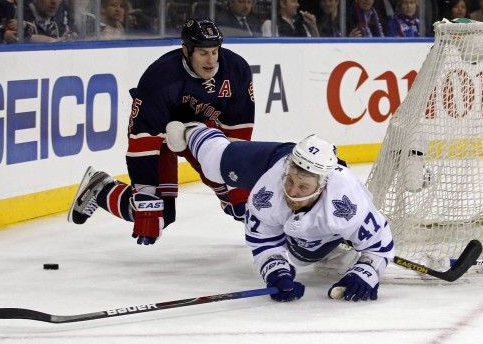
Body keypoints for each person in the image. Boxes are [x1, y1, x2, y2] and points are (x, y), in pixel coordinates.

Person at [68, 18, 255, 246]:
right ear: (186, 50)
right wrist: (146, 198)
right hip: (160, 134)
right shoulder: (160, 78)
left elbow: (238, 130)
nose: (211, 60)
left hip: (202, 131)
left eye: (215, 52)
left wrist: (237, 181)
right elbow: (142, 142)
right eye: (203, 53)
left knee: (238, 203)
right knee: (158, 214)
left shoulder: (236, 70)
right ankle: (101, 189)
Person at [164, 122, 395, 302]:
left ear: (322, 186)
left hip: (326, 223)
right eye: (291, 181)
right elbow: (262, 239)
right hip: (273, 158)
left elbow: (379, 245)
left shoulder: (344, 203)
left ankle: (334, 248)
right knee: (214, 162)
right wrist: (276, 271)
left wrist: (367, 271)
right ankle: (194, 130)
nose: (292, 192)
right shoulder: (269, 190)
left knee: (303, 256)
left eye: (303, 187)